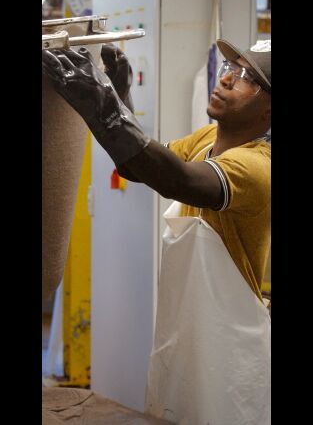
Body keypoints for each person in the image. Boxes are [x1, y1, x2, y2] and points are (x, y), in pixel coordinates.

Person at [42, 38, 271, 425]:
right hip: (184, 335)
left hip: (231, 351)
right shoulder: (205, 140)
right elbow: (142, 165)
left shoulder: (257, 168)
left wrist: (105, 105)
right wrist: (120, 97)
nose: (228, 78)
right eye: (232, 66)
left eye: (248, 77)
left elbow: (178, 179)